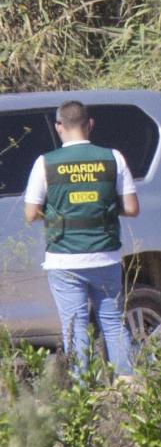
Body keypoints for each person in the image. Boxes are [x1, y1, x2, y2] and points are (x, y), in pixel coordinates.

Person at [23, 100, 139, 379]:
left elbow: (30, 213)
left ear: (59, 127)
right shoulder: (113, 157)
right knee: (112, 323)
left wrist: (58, 214)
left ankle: (81, 394)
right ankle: (129, 388)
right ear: (90, 125)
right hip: (105, 255)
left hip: (64, 258)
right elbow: (133, 208)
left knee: (74, 328)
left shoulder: (45, 163)